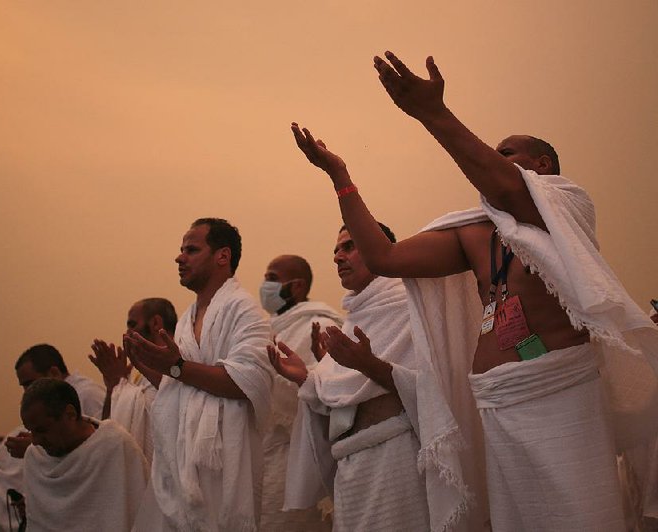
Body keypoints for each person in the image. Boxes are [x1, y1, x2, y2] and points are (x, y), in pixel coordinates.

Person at [291, 50, 658, 530]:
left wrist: (432, 113)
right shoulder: (471, 231)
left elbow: (506, 188)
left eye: (505, 153)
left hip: (559, 390)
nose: (490, 159)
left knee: (580, 519)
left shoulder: (567, 205)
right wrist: (340, 179)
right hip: (496, 401)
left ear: (542, 165)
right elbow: (385, 258)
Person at [270, 225, 470, 532]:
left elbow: (439, 390)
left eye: (349, 246)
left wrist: (369, 365)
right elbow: (341, 397)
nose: (338, 257)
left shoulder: (411, 305)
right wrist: (307, 380)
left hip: (395, 459)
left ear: (378, 248)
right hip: (350, 469)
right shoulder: (354, 319)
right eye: (336, 250)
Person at [129, 217, 273, 531]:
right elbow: (180, 388)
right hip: (180, 462)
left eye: (191, 249)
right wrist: (149, 366)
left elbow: (247, 382)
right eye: (181, 250)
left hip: (221, 463)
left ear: (222, 256)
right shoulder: (185, 319)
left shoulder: (245, 311)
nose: (179, 258)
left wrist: (176, 368)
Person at [0, 343, 106, 531]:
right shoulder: (48, 402)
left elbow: (94, 452)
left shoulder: (88, 394)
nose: (27, 392)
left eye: (29, 383)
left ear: (53, 372)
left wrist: (33, 449)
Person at [259, 254, 342, 531]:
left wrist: (270, 379)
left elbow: (325, 389)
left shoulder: (318, 325)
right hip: (266, 453)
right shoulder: (268, 329)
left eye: (272, 278)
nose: (265, 286)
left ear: (296, 287)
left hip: (301, 453)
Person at [21, 378, 148, 531]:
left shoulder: (115, 446)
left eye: (42, 430)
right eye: (31, 431)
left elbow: (144, 515)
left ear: (70, 414)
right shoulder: (35, 458)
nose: (34, 441)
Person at [89, 297, 178, 462]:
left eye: (132, 324)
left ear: (156, 323)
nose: (127, 333)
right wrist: (112, 386)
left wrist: (119, 383)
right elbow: (108, 431)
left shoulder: (183, 359)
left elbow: (174, 403)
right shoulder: (136, 375)